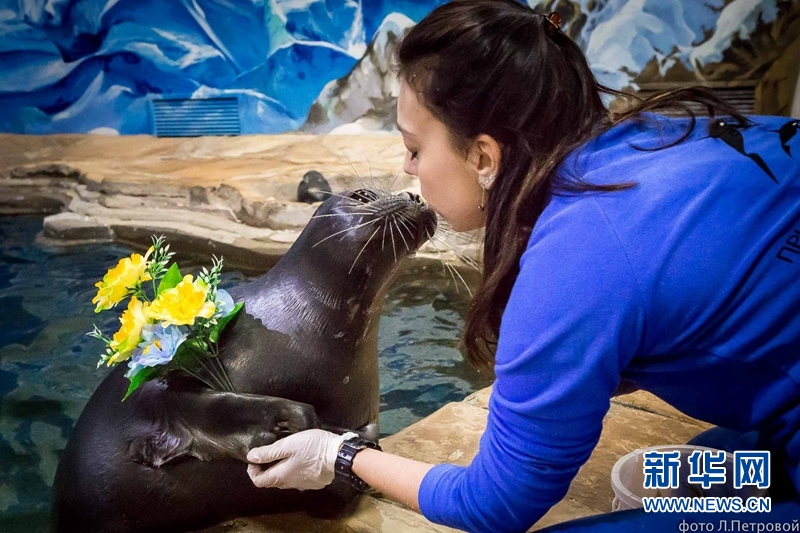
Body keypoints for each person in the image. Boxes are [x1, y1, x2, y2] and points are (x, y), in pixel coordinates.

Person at [245, 0, 800, 531]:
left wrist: (341, 455)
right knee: (693, 469)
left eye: (414, 148)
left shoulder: (573, 263)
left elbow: (492, 505)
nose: (409, 169)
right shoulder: (659, 134)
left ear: (483, 157)